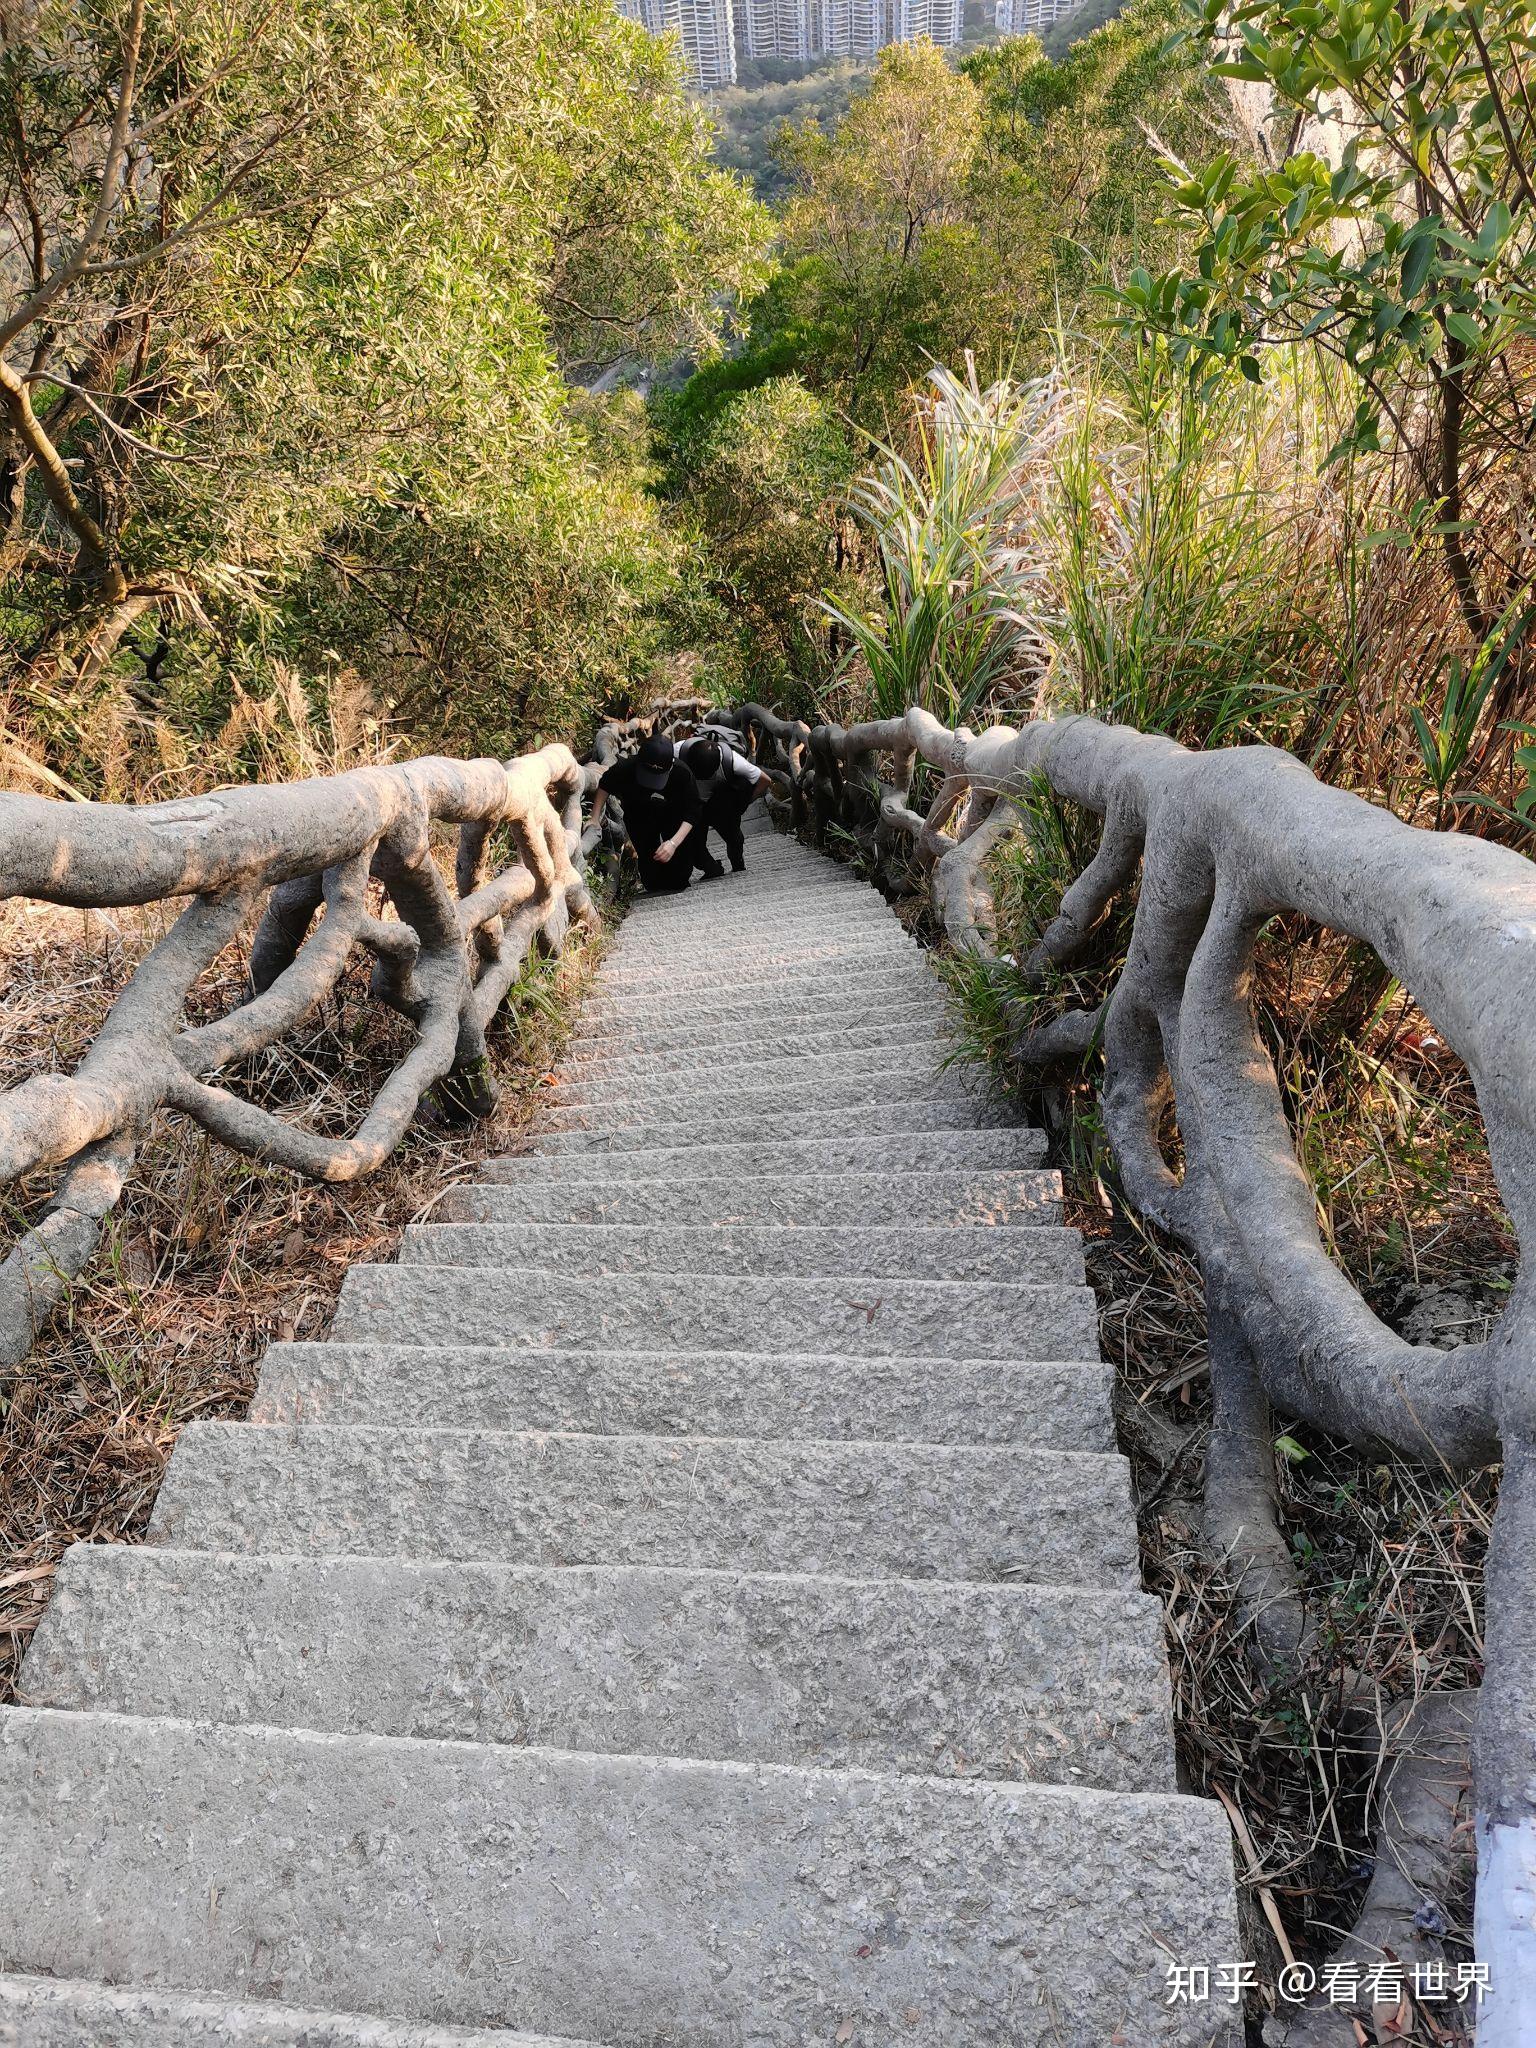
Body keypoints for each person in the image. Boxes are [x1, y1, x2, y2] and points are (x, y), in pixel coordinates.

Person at [588, 733, 719, 892]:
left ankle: (679, 881)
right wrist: (594, 817)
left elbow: (692, 813)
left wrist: (673, 843)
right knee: (651, 872)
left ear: (670, 766)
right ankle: (654, 884)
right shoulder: (627, 767)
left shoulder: (682, 773)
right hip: (639, 813)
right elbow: (605, 785)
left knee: (680, 873)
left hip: (674, 816)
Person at [676, 732, 772, 873]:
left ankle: (738, 866)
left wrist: (742, 805)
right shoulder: (676, 753)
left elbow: (765, 781)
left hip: (721, 802)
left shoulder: (732, 760)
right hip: (693, 803)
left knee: (734, 837)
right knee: (695, 845)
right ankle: (713, 869)